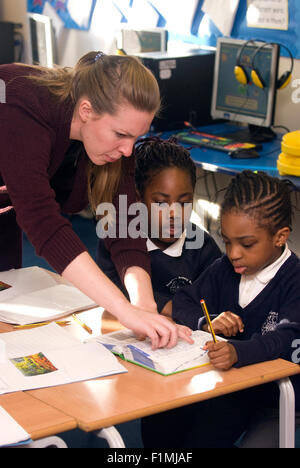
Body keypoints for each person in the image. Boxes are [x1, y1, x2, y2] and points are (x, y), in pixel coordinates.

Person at [0, 52, 193, 349]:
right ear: (86, 110)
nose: (129, 151)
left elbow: (124, 225)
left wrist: (143, 304)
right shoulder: (19, 101)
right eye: (121, 135)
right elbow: (44, 224)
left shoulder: (112, 137)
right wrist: (125, 312)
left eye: (136, 137)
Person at [141, 170, 300, 447]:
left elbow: (287, 339)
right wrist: (207, 322)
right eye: (226, 241)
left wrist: (238, 351)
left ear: (280, 236)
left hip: (277, 401)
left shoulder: (295, 280)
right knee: (168, 425)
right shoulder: (224, 270)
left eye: (246, 243)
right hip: (234, 391)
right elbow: (183, 303)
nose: (233, 253)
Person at [96, 137, 221, 315]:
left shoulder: (203, 249)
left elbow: (212, 304)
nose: (174, 213)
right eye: (161, 203)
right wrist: (168, 308)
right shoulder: (117, 241)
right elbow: (110, 291)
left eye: (184, 202)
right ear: (138, 199)